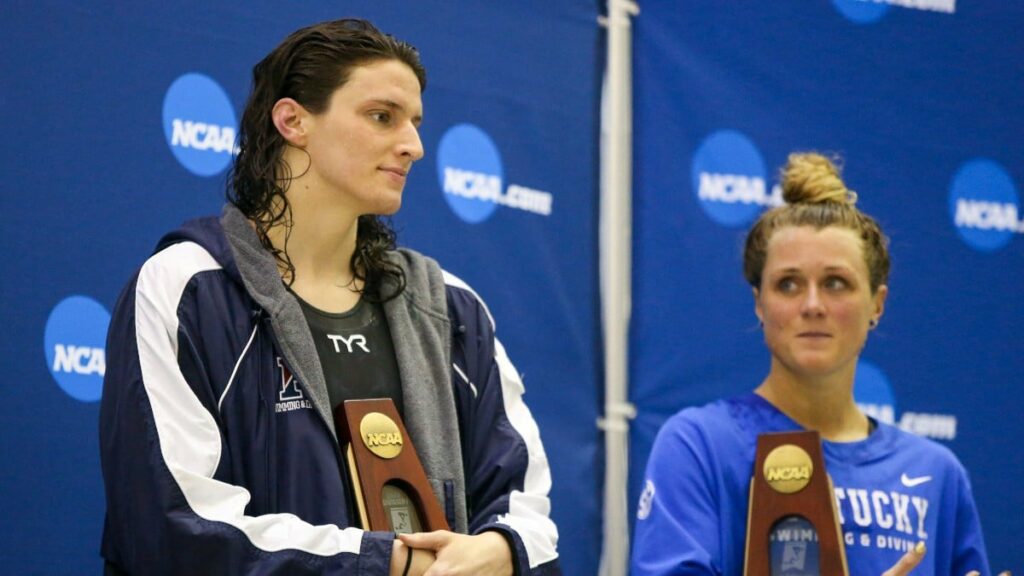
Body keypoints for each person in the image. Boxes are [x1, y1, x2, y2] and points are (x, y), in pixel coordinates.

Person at [99, 18, 560, 576]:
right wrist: (386, 564)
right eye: (382, 117)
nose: (413, 145)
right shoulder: (188, 288)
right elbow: (174, 523)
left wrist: (500, 550)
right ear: (293, 121)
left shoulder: (450, 308)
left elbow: (523, 505)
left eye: (415, 123)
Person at [630, 153, 992, 575]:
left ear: (877, 304)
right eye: (789, 284)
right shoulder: (700, 446)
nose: (813, 305)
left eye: (836, 283)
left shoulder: (936, 473)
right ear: (759, 304)